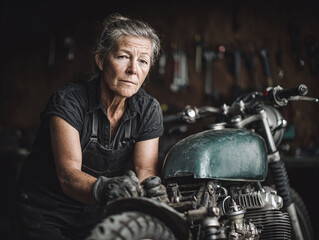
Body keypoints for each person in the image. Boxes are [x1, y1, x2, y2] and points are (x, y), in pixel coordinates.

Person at [16, 13, 167, 240]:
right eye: (124, 57)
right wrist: (106, 189)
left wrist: (151, 192)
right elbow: (68, 177)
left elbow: (145, 170)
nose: (133, 69)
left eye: (143, 61)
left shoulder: (148, 109)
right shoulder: (68, 102)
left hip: (97, 212)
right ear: (100, 60)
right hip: (46, 211)